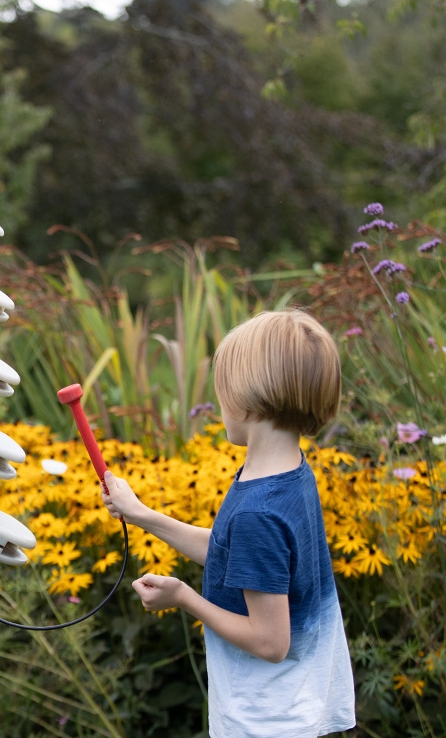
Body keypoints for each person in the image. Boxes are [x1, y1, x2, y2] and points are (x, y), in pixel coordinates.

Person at [101, 310, 356, 737]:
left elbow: (271, 643)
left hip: (267, 717)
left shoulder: (260, 510)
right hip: (293, 699)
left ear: (246, 399)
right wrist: (141, 514)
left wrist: (184, 597)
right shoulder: (288, 474)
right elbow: (230, 552)